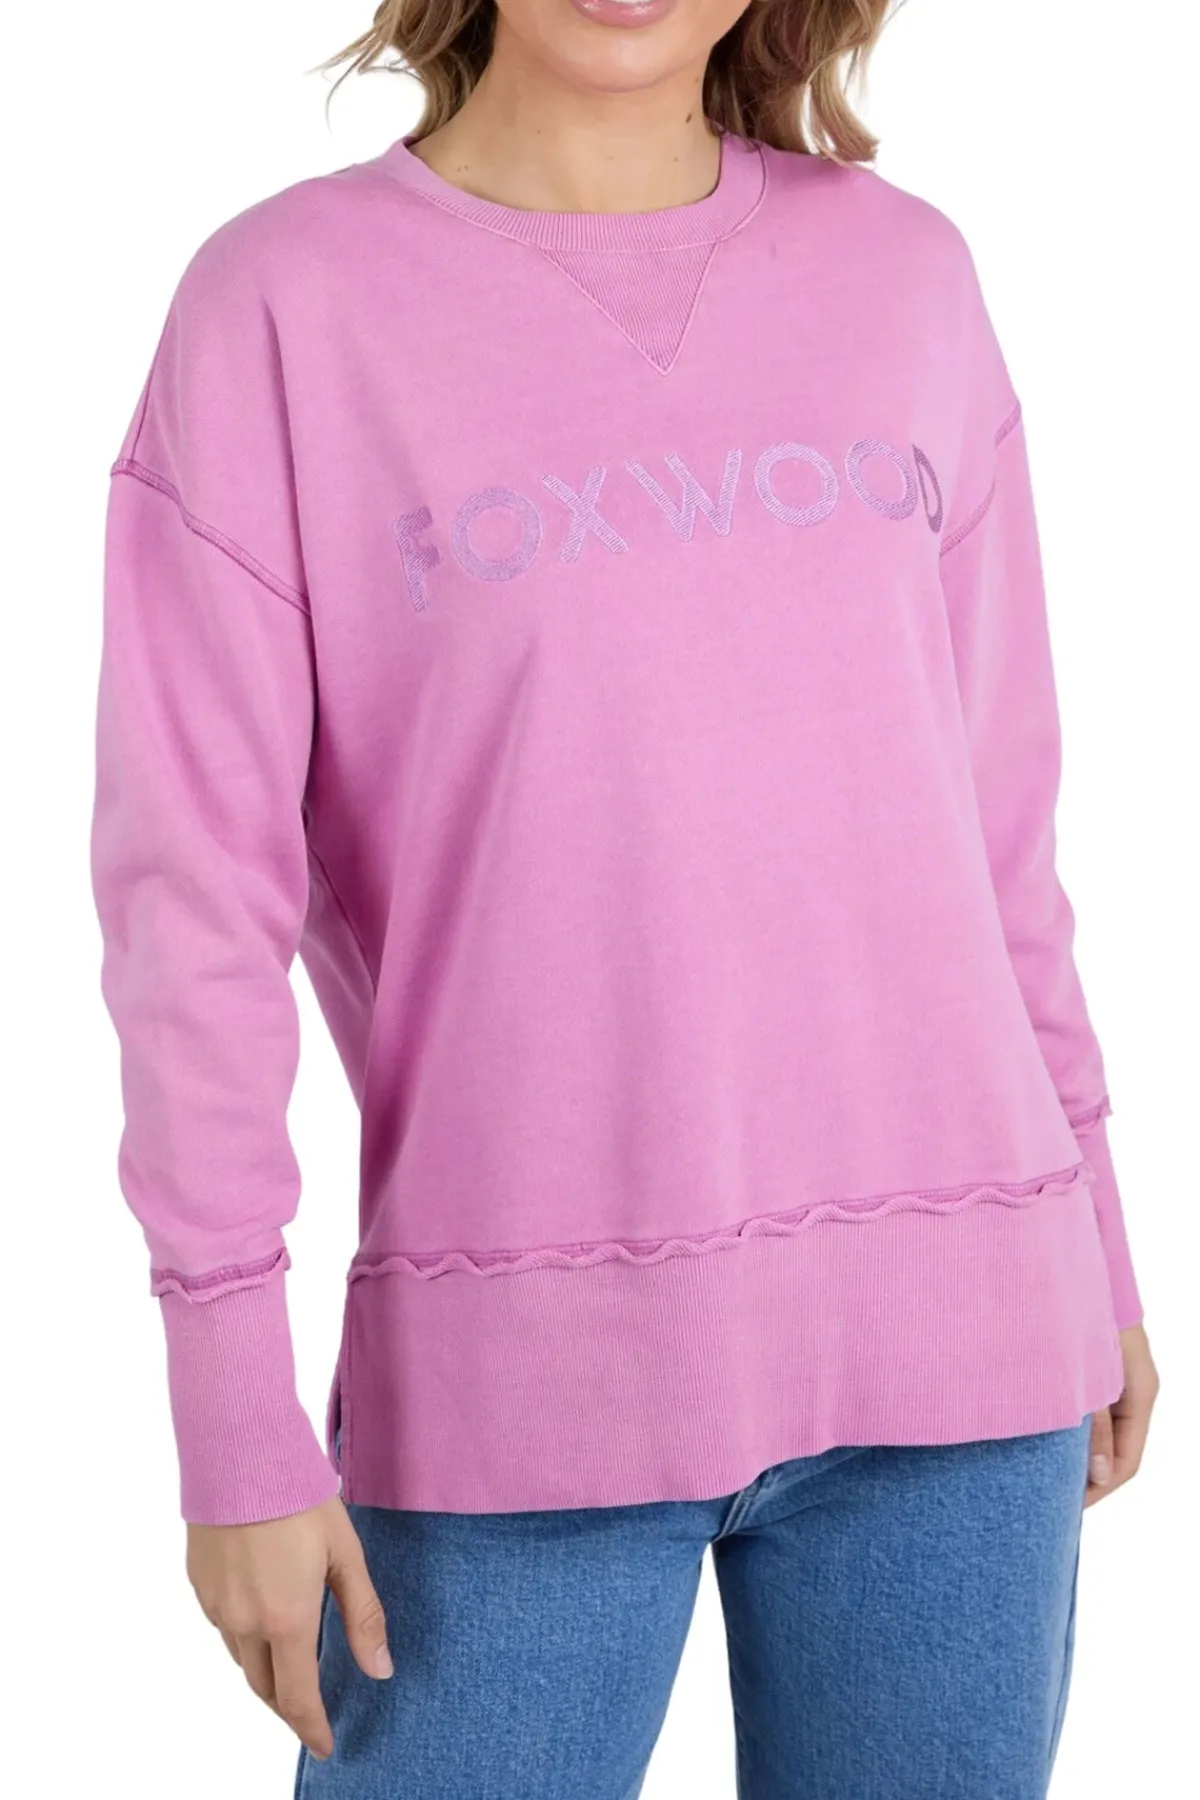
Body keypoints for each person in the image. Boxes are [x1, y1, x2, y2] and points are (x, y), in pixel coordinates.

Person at [89, 1, 1160, 1795]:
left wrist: (1097, 1242)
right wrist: (231, 1417)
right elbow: (189, 911)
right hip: (514, 1384)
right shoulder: (280, 307)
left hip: (970, 1347)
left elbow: (999, 835)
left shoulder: (906, 279)